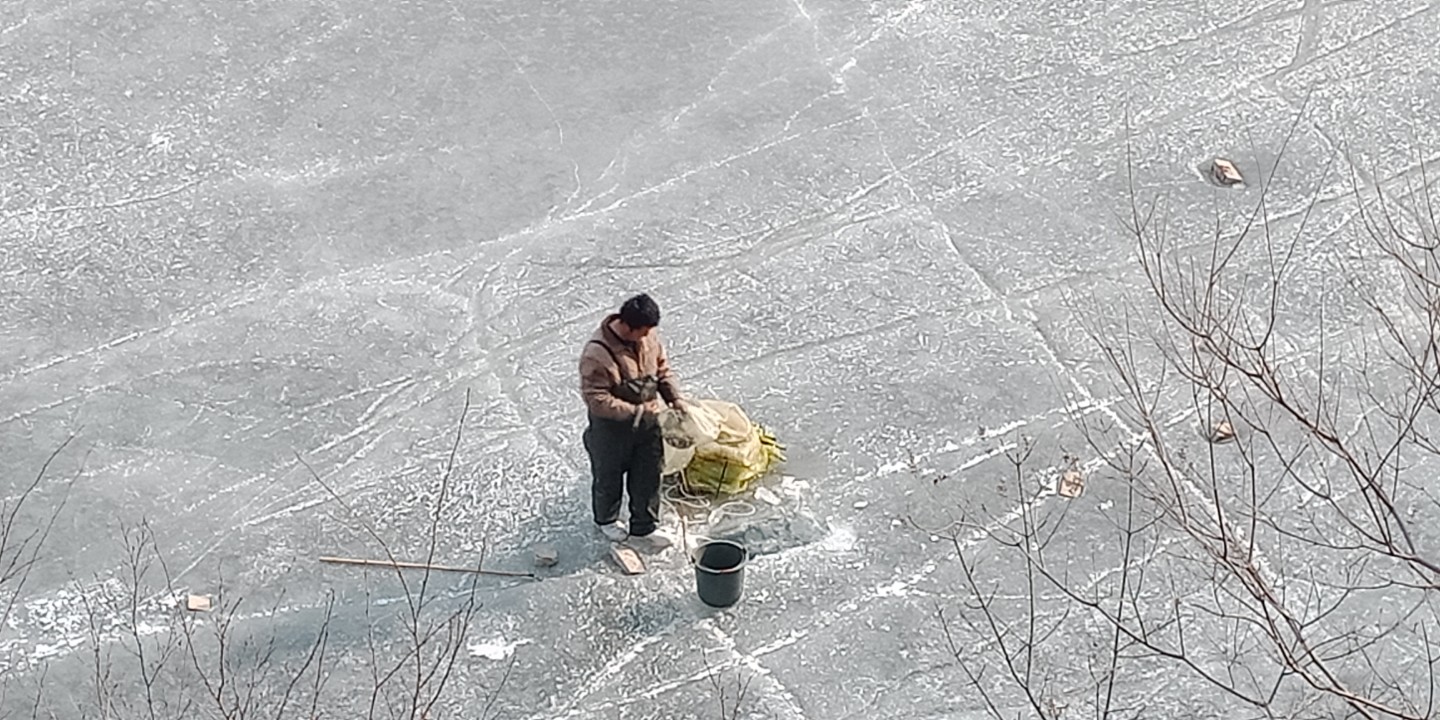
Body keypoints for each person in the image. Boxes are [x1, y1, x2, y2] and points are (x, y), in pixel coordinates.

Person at [578, 293, 690, 550]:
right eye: (642, 331)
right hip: (612, 429)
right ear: (627, 326)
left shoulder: (649, 338)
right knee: (609, 476)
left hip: (648, 424)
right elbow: (596, 398)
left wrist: (674, 398)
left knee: (648, 474)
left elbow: (662, 370)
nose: (646, 337)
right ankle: (606, 519)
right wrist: (634, 412)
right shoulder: (597, 353)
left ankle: (644, 525)